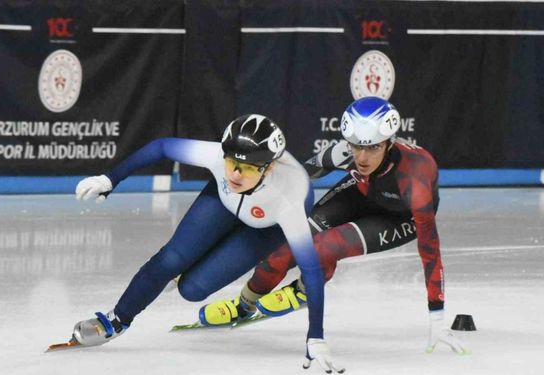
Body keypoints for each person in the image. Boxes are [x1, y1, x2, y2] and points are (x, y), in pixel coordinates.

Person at [70, 114, 343, 373]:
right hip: (224, 202)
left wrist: (316, 336)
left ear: (269, 167)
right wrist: (109, 179)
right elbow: (162, 146)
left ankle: (177, 277)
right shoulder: (219, 159)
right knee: (170, 260)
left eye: (247, 168)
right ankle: (118, 319)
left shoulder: (289, 200)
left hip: (265, 227)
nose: (235, 174)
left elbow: (310, 270)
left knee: (192, 289)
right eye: (231, 162)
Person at [200, 97, 467, 359]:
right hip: (360, 194)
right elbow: (300, 175)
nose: (362, 157)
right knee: (284, 245)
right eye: (356, 146)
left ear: (389, 143)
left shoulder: (415, 178)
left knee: (323, 246)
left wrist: (437, 315)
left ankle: (303, 290)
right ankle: (244, 304)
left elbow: (430, 250)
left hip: (398, 217)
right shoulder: (344, 152)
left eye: (372, 148)